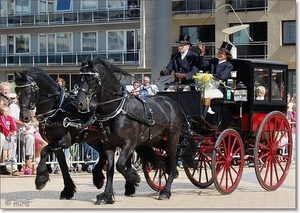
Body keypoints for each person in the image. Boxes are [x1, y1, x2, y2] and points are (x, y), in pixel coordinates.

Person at [197, 41, 233, 118]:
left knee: (206, 93)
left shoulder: (228, 65)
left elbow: (223, 76)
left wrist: (210, 75)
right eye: (219, 52)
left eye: (222, 53)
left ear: (226, 55)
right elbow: (202, 65)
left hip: (219, 88)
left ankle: (204, 113)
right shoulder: (213, 61)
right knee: (198, 93)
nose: (219, 54)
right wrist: (202, 54)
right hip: (208, 86)